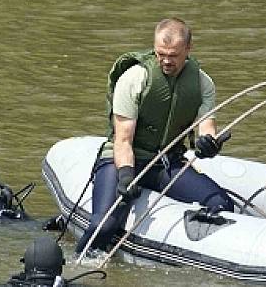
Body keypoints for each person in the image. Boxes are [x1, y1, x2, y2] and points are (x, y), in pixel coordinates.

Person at [75, 18, 233, 253]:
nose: (166, 61)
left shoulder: (202, 83)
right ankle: (79, 261)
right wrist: (127, 175)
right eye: (161, 54)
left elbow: (206, 125)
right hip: (124, 160)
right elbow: (122, 140)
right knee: (105, 224)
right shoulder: (134, 79)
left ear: (188, 49)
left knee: (221, 204)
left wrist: (208, 143)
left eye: (174, 55)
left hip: (166, 163)